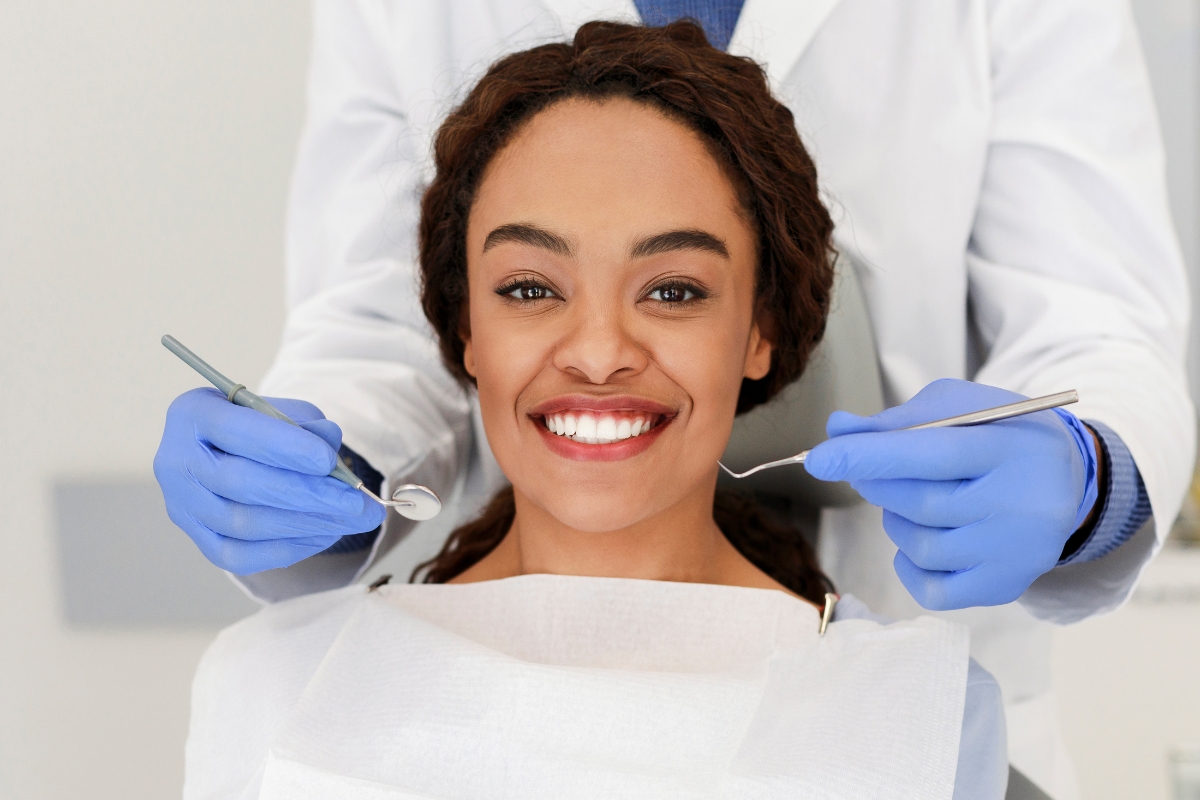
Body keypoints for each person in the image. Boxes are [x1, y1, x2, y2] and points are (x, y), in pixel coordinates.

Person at [154, 2, 1192, 796]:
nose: (600, 349)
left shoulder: (935, 727)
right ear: (464, 321)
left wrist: (1091, 478)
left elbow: (1099, 313)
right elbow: (373, 315)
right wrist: (324, 466)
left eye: (674, 288)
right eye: (528, 286)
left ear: (762, 329)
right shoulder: (277, 698)